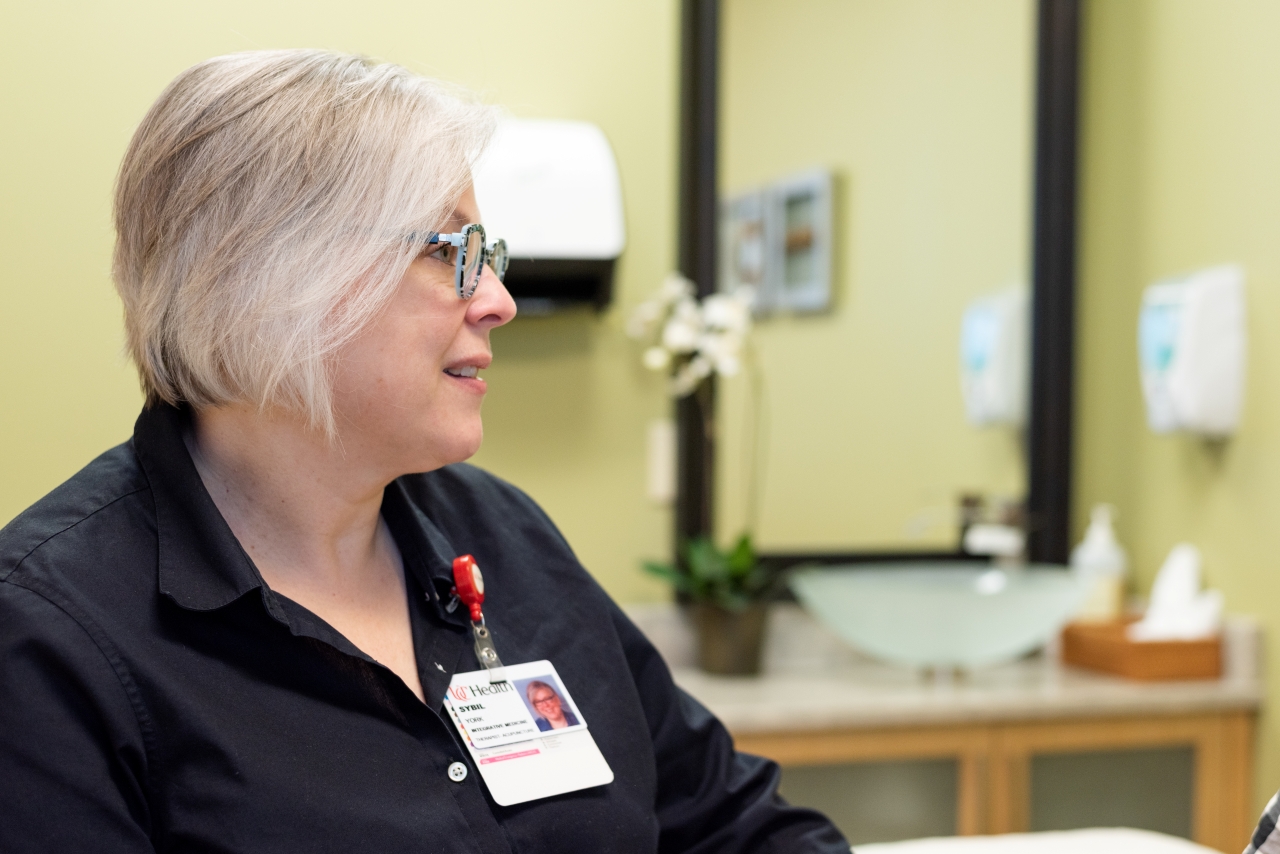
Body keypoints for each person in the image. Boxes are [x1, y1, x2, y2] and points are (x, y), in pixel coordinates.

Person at [0, 49, 849, 853]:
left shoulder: (502, 532)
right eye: (454, 254)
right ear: (263, 278)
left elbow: (735, 824)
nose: (499, 302)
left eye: (490, 256)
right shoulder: (49, 637)